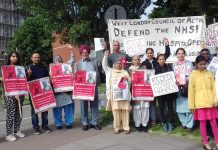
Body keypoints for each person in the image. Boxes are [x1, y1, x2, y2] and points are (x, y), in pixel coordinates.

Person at [188, 56, 218, 150]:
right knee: (203, 124)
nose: (203, 66)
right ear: (196, 64)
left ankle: (217, 142)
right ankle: (205, 143)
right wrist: (191, 105)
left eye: (204, 64)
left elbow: (214, 88)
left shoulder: (209, 73)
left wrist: (216, 100)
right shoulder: (193, 74)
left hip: (211, 103)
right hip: (200, 104)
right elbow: (191, 91)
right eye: (200, 64)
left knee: (214, 123)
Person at [141, 37, 171, 126]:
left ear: (153, 53)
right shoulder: (143, 63)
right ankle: (153, 119)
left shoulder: (157, 60)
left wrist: (166, 45)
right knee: (152, 103)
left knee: (160, 103)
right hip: (149, 86)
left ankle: (163, 119)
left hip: (160, 85)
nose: (150, 54)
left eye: (151, 53)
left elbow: (167, 54)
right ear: (146, 54)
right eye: (148, 53)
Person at [102, 50, 131, 134]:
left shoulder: (124, 72)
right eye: (117, 63)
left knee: (125, 111)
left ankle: (126, 127)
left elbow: (129, 81)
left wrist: (126, 79)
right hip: (115, 96)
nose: (118, 64)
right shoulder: (110, 71)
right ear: (114, 64)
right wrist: (105, 56)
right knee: (116, 112)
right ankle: (117, 128)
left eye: (120, 63)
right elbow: (104, 65)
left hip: (124, 96)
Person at [75, 45, 101, 131]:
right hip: (82, 89)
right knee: (83, 106)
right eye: (83, 52)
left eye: (86, 52)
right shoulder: (78, 64)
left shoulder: (94, 62)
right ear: (81, 54)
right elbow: (75, 76)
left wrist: (103, 50)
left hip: (93, 87)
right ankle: (85, 123)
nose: (85, 54)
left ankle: (94, 122)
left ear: (89, 53)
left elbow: (101, 65)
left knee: (94, 105)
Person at [27, 51, 52, 135]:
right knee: (34, 111)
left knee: (45, 110)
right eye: (35, 57)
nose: (37, 59)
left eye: (38, 57)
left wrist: (50, 79)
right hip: (33, 93)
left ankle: (45, 126)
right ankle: (35, 127)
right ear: (32, 59)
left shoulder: (44, 68)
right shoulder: (28, 68)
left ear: (40, 58)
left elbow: (47, 79)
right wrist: (29, 75)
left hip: (44, 92)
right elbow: (25, 80)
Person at [4, 51, 25, 142]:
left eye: (16, 56)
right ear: (9, 57)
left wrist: (27, 74)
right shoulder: (4, 69)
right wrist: (12, 94)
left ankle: (17, 130)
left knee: (19, 114)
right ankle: (9, 134)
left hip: (20, 94)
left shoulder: (20, 68)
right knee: (11, 114)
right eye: (13, 56)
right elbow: (3, 82)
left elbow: (22, 80)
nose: (15, 58)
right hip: (10, 95)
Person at [172, 48, 194, 131]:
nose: (180, 55)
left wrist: (187, 81)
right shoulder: (174, 64)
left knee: (189, 107)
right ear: (176, 54)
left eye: (182, 53)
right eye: (179, 53)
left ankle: (190, 125)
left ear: (185, 54)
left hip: (187, 87)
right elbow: (173, 75)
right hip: (178, 88)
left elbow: (191, 74)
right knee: (179, 108)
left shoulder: (189, 63)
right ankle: (184, 123)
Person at [52, 55, 74, 129]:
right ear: (54, 61)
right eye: (56, 59)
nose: (58, 60)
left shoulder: (66, 67)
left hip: (66, 92)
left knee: (68, 108)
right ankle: (58, 124)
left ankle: (69, 122)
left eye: (59, 58)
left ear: (62, 60)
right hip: (57, 93)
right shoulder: (51, 69)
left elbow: (72, 60)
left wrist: (71, 50)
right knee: (57, 110)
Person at [155, 54, 175, 132]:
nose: (161, 60)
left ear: (165, 60)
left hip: (169, 92)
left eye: (163, 59)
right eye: (160, 59)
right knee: (161, 108)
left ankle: (170, 122)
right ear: (157, 60)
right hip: (160, 93)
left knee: (170, 108)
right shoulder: (155, 69)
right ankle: (163, 122)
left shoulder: (169, 68)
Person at [128, 55, 149, 132]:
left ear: (140, 60)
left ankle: (144, 124)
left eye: (138, 60)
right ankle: (138, 124)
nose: (137, 61)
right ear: (132, 61)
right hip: (135, 92)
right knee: (136, 108)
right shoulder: (129, 70)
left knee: (145, 107)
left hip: (144, 91)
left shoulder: (144, 68)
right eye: (135, 60)